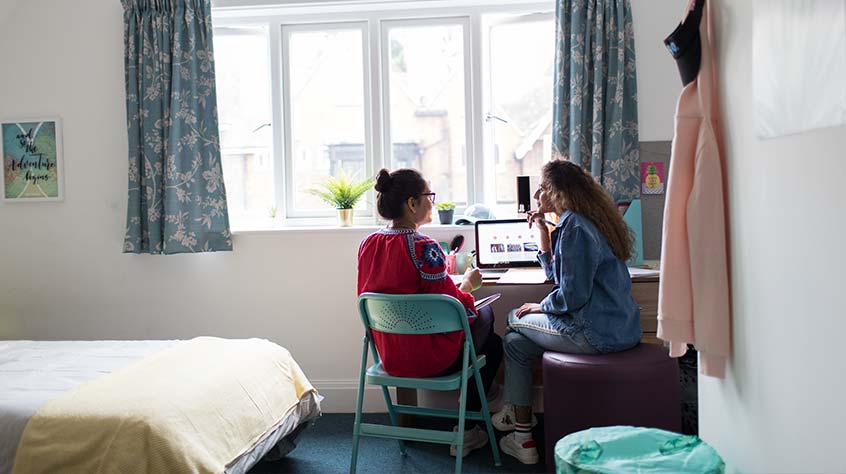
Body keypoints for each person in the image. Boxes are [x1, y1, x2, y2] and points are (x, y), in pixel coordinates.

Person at [492, 160, 642, 464]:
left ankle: (512, 412)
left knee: (512, 317)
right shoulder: (585, 221)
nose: (536, 196)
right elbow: (561, 278)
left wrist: (540, 306)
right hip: (619, 329)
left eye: (542, 188)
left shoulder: (574, 226)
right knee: (516, 344)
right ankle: (523, 440)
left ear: (556, 192)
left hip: (593, 333)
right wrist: (544, 233)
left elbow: (571, 296)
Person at [357, 168, 504, 458]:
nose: (432, 203)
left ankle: (474, 420)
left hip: (390, 357)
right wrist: (467, 284)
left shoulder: (368, 244)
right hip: (429, 360)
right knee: (488, 321)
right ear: (412, 204)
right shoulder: (425, 247)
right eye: (429, 196)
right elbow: (456, 307)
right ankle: (468, 429)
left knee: (491, 344)